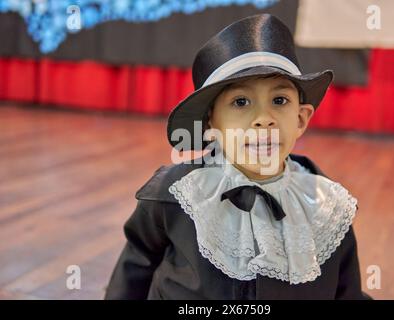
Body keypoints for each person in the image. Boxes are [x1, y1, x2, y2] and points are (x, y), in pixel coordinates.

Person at [105, 13, 369, 300]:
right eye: (240, 102)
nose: (263, 119)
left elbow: (348, 293)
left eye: (279, 101)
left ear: (301, 119)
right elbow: (134, 270)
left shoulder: (327, 208)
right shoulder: (175, 193)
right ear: (211, 124)